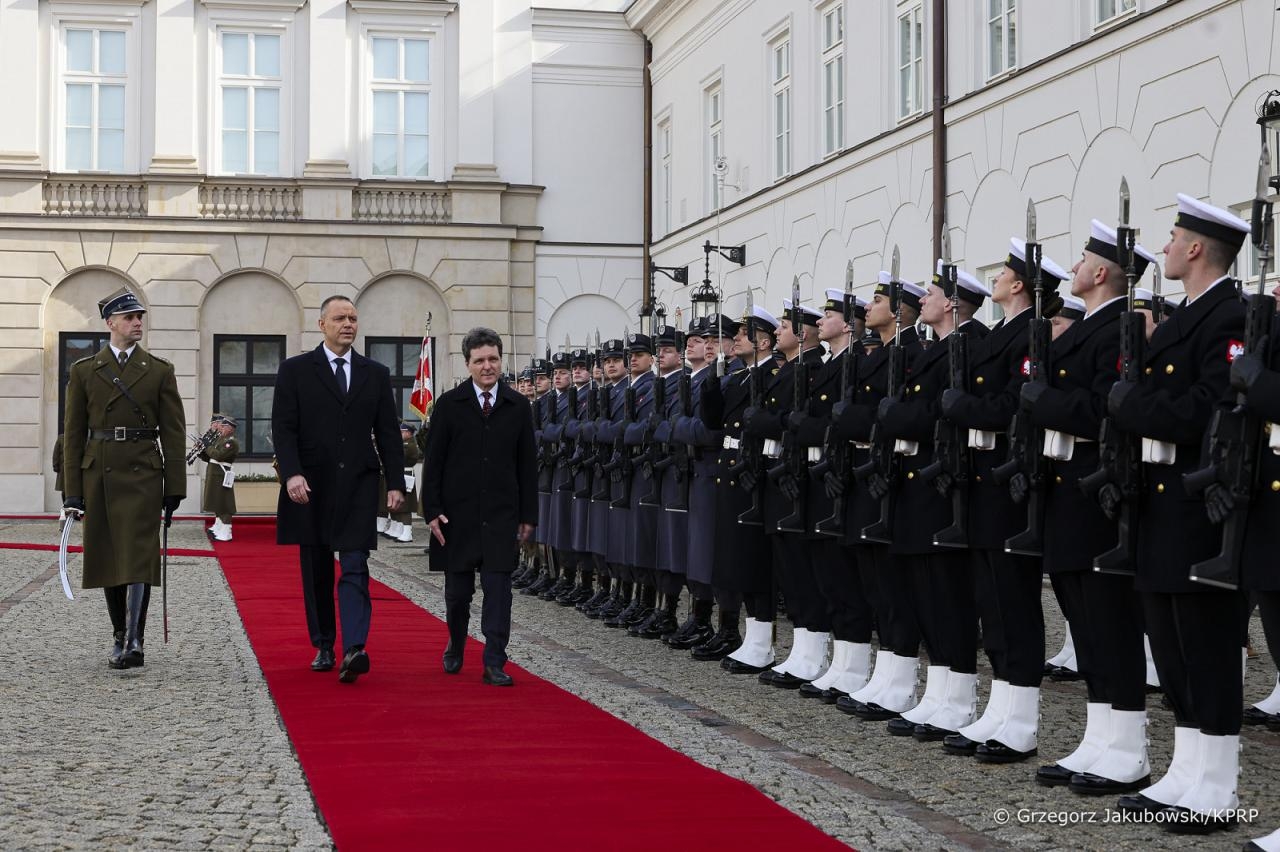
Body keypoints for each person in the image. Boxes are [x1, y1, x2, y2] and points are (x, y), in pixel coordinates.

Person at [1108, 194, 1250, 832]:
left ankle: (1217, 786)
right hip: (1160, 505)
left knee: (1207, 646)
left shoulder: (1228, 315)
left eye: (1171, 238)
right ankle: (1186, 771)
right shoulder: (1183, 316)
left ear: (1196, 249)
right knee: (1169, 643)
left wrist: (1131, 406)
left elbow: (1210, 408)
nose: (1162, 248)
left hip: (1197, 505)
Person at [272, 295, 405, 684]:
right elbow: (284, 428)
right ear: (322, 325)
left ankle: (355, 647)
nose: (348, 323)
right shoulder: (295, 370)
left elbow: (387, 433)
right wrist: (292, 473)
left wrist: (395, 482)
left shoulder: (374, 373)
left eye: (353, 318)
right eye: (340, 318)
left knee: (355, 564)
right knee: (315, 569)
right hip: (310, 484)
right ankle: (325, 643)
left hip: (358, 484)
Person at [62, 289, 186, 669]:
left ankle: (134, 640)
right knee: (107, 556)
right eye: (129, 317)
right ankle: (119, 633)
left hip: (142, 473)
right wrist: (72, 493)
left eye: (140, 317)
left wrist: (175, 487)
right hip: (98, 472)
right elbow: (73, 433)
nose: (137, 323)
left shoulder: (159, 370)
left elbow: (174, 432)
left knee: (136, 554)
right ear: (110, 324)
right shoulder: (84, 371)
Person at [422, 327, 537, 686]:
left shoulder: (518, 406)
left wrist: (528, 516)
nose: (488, 367)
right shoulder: (449, 405)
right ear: (468, 364)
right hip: (457, 517)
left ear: (501, 361)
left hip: (502, 515)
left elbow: (527, 466)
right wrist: (431, 510)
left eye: (493, 359)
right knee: (458, 595)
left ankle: (494, 660)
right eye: (480, 361)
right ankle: (456, 642)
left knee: (499, 590)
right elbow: (434, 463)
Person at [201, 413, 240, 542]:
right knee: (218, 502)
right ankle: (219, 528)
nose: (221, 428)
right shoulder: (221, 440)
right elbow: (210, 457)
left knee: (225, 502)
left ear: (231, 428)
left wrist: (208, 446)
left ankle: (226, 531)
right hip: (215, 474)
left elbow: (218, 455)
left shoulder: (231, 442)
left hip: (222, 475)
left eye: (224, 426)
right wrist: (202, 450)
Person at [380, 422, 421, 543]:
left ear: (408, 433)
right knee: (395, 506)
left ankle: (407, 531)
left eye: (402, 432)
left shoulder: (409, 444)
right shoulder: (403, 443)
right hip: (399, 474)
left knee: (405, 507)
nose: (400, 434)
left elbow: (400, 456)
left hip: (406, 475)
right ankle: (398, 528)